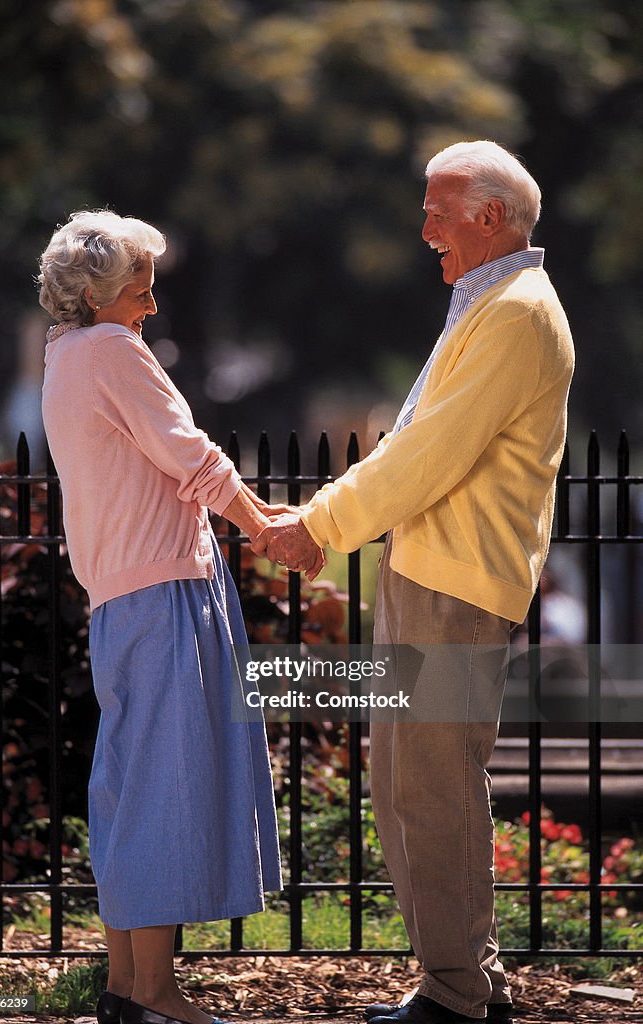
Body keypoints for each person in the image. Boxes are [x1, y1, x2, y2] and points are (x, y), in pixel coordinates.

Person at [253, 141, 574, 1024]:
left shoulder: (515, 312)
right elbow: (416, 446)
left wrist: (317, 526)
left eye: (438, 209)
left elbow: (427, 455)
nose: (423, 226)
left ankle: (459, 997)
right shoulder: (494, 304)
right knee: (409, 786)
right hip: (432, 572)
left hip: (454, 586)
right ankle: (463, 984)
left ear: (490, 217)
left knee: (432, 787)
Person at [39, 210, 320, 1024]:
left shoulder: (65, 358)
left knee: (131, 788)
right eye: (139, 291)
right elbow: (188, 453)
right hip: (165, 596)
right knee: (163, 786)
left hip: (120, 598)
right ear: (96, 295)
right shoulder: (113, 352)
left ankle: (131, 990)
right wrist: (266, 529)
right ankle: (156, 994)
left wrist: (253, 510)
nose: (152, 307)